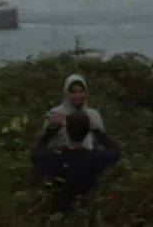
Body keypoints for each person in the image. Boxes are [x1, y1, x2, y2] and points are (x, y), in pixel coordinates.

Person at [31, 72, 119, 215]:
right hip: (64, 160)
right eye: (73, 92)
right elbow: (114, 151)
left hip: (85, 159)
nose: (77, 96)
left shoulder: (94, 115)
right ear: (67, 93)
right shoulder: (55, 114)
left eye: (81, 91)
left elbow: (36, 154)